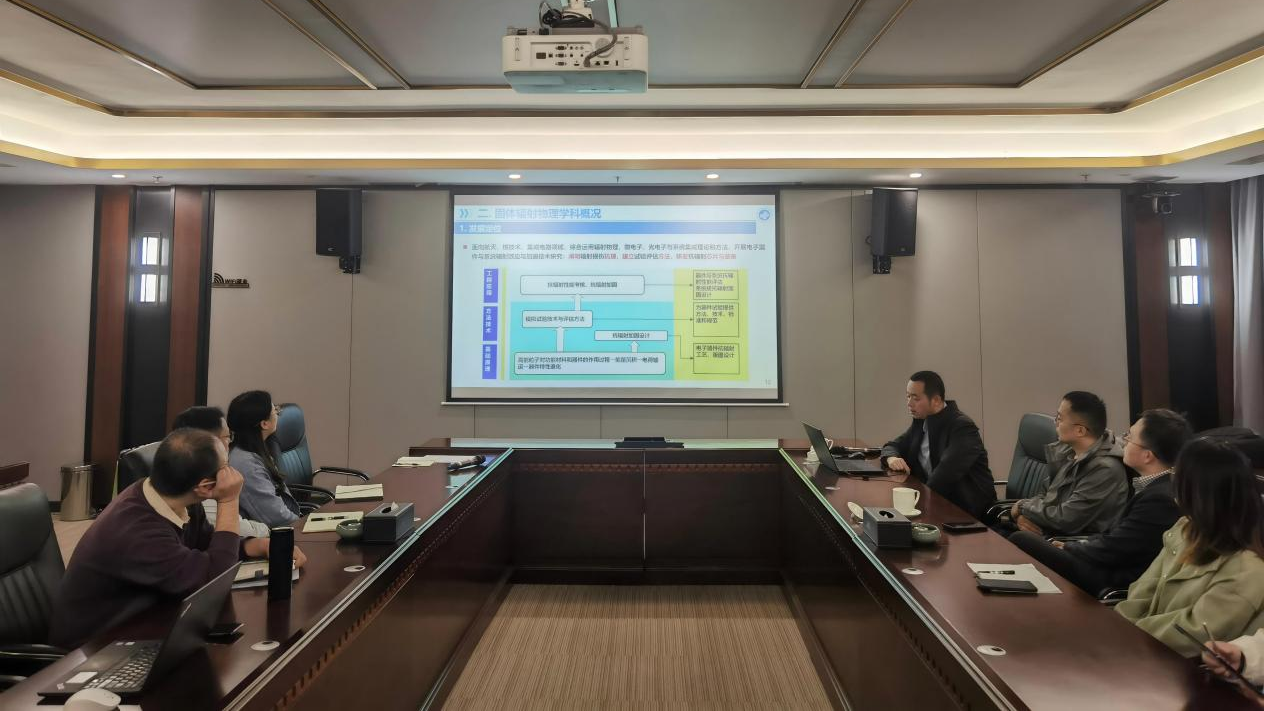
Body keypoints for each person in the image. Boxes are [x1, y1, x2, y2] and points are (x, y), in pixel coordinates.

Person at [49, 429, 306, 649]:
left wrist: (253, 546)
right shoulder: (138, 531)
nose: (233, 474)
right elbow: (213, 580)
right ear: (206, 487)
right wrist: (228, 500)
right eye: (226, 468)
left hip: (150, 623)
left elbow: (206, 545)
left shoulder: (173, 497)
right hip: (94, 651)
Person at [1009, 409, 1189, 594]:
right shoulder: (1155, 486)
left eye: (1129, 437)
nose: (1124, 441)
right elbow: (1116, 537)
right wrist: (1077, 546)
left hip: (1111, 577)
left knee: (1022, 540)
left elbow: (1117, 549)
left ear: (1147, 455)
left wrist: (1071, 548)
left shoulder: (1160, 499)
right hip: (1102, 560)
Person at [1116, 437, 1264, 657]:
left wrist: (1128, 635)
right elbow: (1143, 591)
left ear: (1197, 491)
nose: (1172, 481)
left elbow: (1194, 633)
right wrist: (1116, 626)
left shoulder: (1247, 570)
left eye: (1177, 474)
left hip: (1183, 666)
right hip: (1144, 650)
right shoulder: (1185, 528)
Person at [1006, 391, 1128, 537]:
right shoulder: (1069, 453)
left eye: (1059, 418)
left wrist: (1022, 507)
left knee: (1014, 539)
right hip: (1048, 531)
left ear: (1080, 430)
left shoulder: (1105, 469)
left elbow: (1067, 519)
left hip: (1071, 542)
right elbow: (1044, 494)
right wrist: (1023, 517)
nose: (1055, 422)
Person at [880, 371, 996, 519]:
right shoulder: (921, 422)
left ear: (936, 400)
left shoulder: (962, 427)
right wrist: (891, 458)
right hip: (935, 506)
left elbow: (943, 477)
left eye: (915, 398)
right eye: (908, 396)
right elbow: (892, 446)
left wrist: (914, 504)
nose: (909, 403)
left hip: (967, 515)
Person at [172, 405, 271, 538]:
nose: (230, 442)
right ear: (212, 443)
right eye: (227, 436)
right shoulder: (200, 486)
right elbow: (242, 532)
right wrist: (265, 529)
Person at [227, 390, 302, 528]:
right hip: (270, 535)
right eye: (275, 411)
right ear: (264, 424)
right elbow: (277, 518)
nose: (278, 413)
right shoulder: (246, 465)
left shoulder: (253, 450)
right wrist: (304, 525)